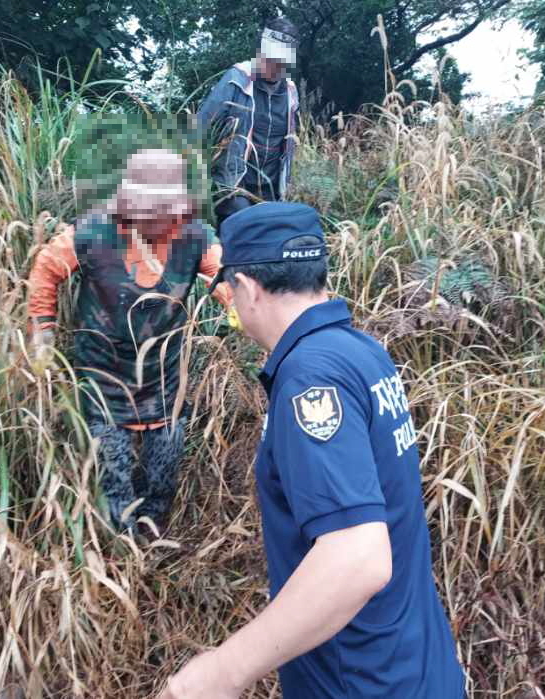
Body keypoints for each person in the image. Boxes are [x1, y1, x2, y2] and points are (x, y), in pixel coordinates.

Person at [158, 202, 465, 698]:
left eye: (230, 291)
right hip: (416, 667)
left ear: (249, 289)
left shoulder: (311, 377)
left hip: (364, 683)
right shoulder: (359, 352)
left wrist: (224, 671)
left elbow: (357, 556)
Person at [27, 148, 231, 532]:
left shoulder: (194, 236)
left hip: (165, 376)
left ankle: (154, 533)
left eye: (163, 210)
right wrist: (43, 331)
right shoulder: (91, 232)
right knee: (113, 471)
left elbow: (224, 278)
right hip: (103, 375)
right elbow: (46, 269)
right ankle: (122, 547)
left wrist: (243, 309)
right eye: (146, 209)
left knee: (164, 467)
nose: (155, 219)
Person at [197, 17, 300, 228]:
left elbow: (289, 147)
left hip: (272, 190)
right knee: (247, 224)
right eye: (270, 57)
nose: (274, 65)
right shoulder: (237, 80)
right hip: (233, 184)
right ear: (260, 51)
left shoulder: (291, 92)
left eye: (281, 60)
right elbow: (201, 130)